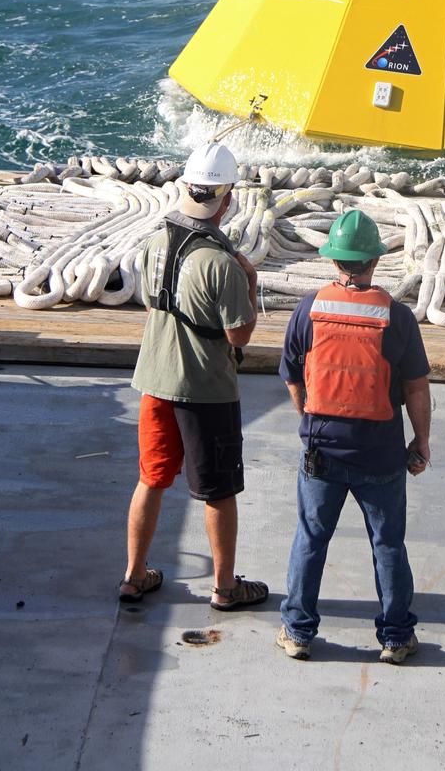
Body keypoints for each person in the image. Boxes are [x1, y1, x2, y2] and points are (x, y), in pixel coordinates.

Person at [276, 209, 431, 664]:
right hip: (381, 453)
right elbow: (416, 387)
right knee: (388, 544)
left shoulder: (308, 309)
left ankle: (298, 632)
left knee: (310, 538)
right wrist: (420, 443)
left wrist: (309, 422)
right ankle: (397, 637)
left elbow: (292, 376)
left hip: (321, 449)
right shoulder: (397, 317)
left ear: (334, 261)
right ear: (374, 261)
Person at [119, 142, 268, 612]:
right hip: (205, 389)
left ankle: (134, 575)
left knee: (151, 479)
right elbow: (239, 335)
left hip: (154, 379)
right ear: (225, 201)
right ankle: (225, 588)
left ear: (187, 189)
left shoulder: (152, 244)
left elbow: (152, 305)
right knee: (217, 491)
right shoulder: (222, 264)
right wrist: (251, 283)